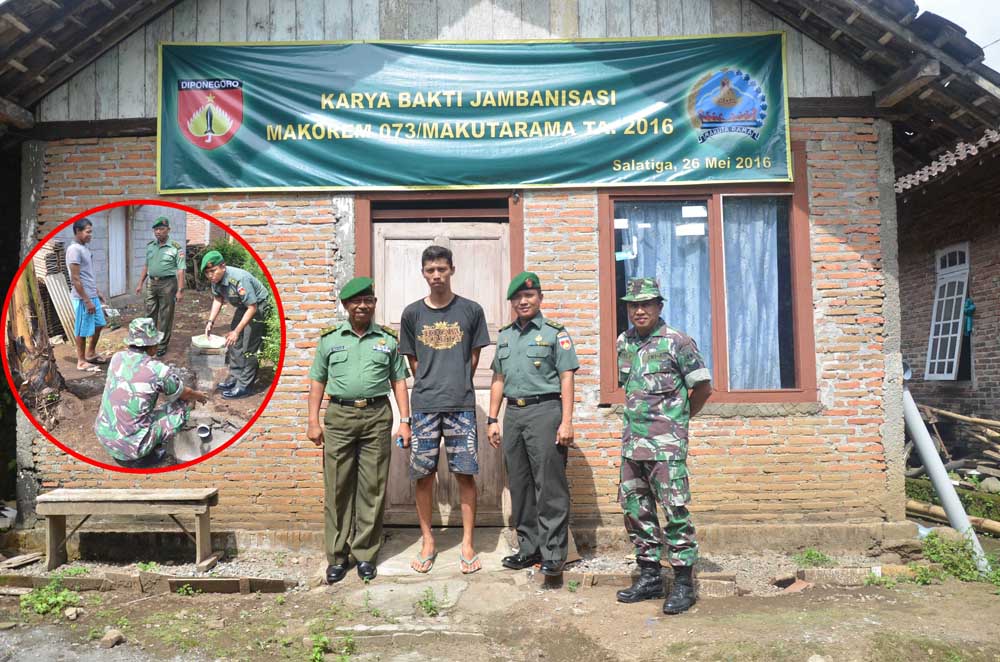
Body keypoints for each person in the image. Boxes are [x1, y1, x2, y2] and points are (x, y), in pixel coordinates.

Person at [614, 277, 712, 615]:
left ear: (659, 306)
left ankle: (684, 582)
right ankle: (650, 577)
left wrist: (678, 423)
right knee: (636, 512)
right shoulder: (623, 342)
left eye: (646, 304)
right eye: (632, 304)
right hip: (632, 445)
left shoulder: (678, 342)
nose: (639, 310)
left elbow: (702, 388)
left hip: (666, 448)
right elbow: (630, 388)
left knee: (674, 512)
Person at [306, 277, 412, 583]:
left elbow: (399, 382)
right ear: (346, 306)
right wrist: (313, 420)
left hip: (378, 415)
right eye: (356, 301)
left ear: (375, 305)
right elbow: (317, 382)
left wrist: (405, 420)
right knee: (337, 487)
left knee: (373, 488)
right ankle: (337, 556)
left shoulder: (388, 341)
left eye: (368, 300)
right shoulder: (329, 340)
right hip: (339, 416)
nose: (362, 306)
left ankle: (365, 553)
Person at [399, 245, 490, 575]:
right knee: (423, 477)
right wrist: (429, 379)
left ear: (452, 269)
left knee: (465, 475)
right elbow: (412, 360)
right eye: (430, 270)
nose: (436, 275)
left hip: (461, 406)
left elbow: (475, 355)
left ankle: (467, 543)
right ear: (423, 273)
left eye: (442, 269)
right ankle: (428, 541)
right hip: (423, 406)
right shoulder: (412, 314)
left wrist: (457, 380)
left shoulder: (471, 310)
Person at [487, 271, 578, 577]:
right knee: (520, 485)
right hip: (513, 414)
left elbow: (567, 377)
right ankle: (529, 549)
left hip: (545, 411)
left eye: (529, 296)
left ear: (540, 298)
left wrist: (566, 421)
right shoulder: (506, 335)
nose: (523, 301)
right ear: (512, 302)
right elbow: (498, 379)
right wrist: (492, 418)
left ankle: (554, 553)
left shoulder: (555, 333)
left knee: (549, 485)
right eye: (518, 298)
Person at [94, 318, 208, 468]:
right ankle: (146, 453)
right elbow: (184, 393)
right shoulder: (157, 370)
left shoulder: (117, 358)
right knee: (184, 403)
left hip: (104, 436)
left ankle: (135, 446)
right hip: (132, 448)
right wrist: (199, 396)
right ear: (152, 346)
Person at [201, 250, 271, 399]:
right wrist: (210, 322)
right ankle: (235, 376)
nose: (210, 275)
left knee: (249, 346)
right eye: (207, 273)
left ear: (223, 267)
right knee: (234, 343)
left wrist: (237, 331)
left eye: (213, 271)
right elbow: (218, 299)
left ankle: (245, 386)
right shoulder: (215, 280)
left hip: (258, 306)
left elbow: (252, 307)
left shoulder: (239, 279)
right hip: (243, 306)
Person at [135, 216, 186, 357]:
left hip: (168, 284)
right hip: (151, 283)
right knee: (149, 313)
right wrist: (140, 283)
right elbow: (146, 265)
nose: (158, 232)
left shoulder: (176, 248)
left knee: (165, 315)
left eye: (161, 229)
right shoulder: (150, 246)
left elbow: (181, 270)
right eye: (156, 229)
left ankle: (162, 344)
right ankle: (149, 342)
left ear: (168, 230)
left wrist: (180, 290)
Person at [66, 217, 107, 372]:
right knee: (82, 330)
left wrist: (96, 292)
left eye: (91, 232)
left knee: (100, 323)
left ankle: (90, 353)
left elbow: (86, 274)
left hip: (91, 295)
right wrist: (87, 300)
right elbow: (75, 278)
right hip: (83, 298)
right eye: (88, 232)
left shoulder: (84, 248)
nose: (91, 235)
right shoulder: (74, 250)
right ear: (78, 231)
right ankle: (81, 361)